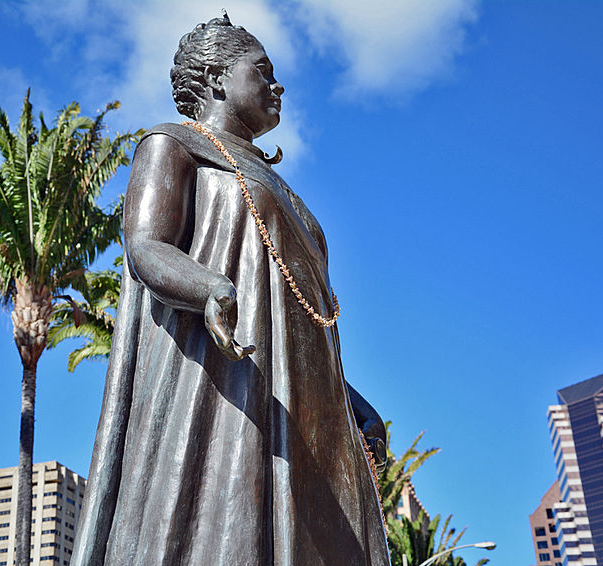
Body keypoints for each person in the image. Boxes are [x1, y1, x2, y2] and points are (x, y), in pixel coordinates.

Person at [71, 14, 391, 566]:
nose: (277, 85)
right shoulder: (172, 146)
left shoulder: (286, 194)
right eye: (262, 70)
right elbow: (146, 246)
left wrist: (348, 399)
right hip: (222, 381)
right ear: (218, 78)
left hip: (301, 409)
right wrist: (209, 287)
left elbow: (302, 326)